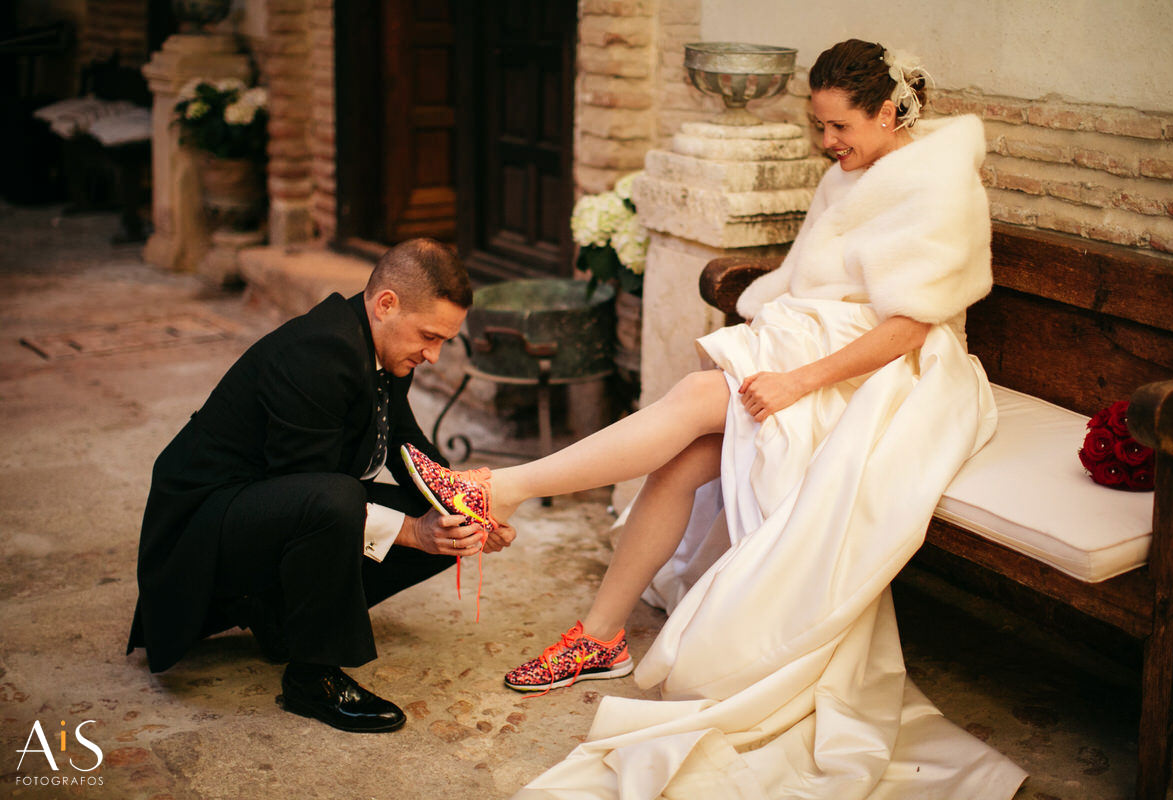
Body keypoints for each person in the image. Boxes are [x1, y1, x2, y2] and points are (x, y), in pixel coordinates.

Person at [402, 40, 1028, 798]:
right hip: (827, 351)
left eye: (838, 128)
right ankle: (598, 638)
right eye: (818, 126)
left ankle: (502, 490)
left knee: (700, 401)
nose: (826, 145)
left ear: (888, 114)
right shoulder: (852, 171)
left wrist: (794, 379)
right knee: (681, 455)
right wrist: (773, 344)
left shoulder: (936, 185)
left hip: (893, 374)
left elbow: (913, 328)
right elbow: (814, 281)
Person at [126, 238, 515, 734]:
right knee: (342, 502)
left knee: (442, 524)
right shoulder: (318, 350)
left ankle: (283, 624)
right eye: (429, 336)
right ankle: (311, 677)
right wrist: (412, 532)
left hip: (265, 512)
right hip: (200, 532)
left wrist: (473, 509)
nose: (434, 356)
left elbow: (403, 440)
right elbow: (309, 491)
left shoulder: (383, 346)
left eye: (443, 341)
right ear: (386, 304)